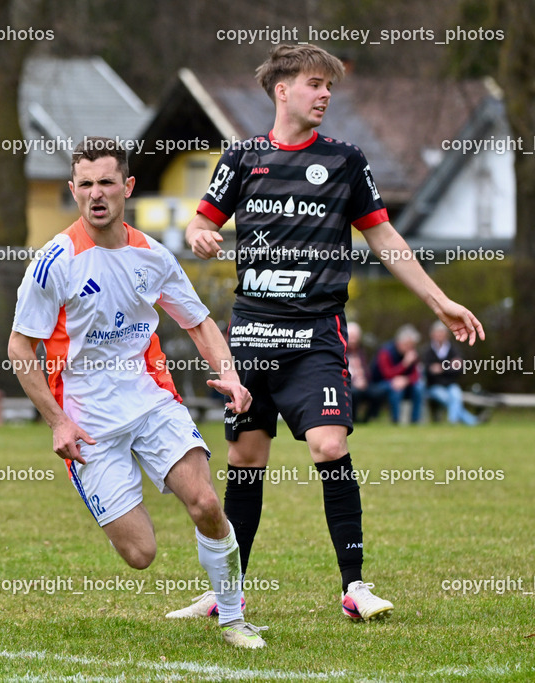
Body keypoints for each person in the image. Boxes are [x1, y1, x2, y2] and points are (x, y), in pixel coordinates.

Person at [181, 44, 484, 623]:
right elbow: (202, 219)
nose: (324, 95)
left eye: (329, 87)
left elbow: (386, 239)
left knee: (330, 445)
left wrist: (439, 300)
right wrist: (199, 233)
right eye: (315, 84)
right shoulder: (243, 157)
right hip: (250, 335)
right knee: (246, 457)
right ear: (282, 90)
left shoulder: (346, 160)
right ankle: (229, 596)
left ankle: (354, 586)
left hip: (316, 336)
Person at [8, 137, 266, 649]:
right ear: (73, 190)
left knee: (206, 502)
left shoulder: (153, 256)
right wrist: (58, 421)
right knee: (140, 554)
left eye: (107, 182)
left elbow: (200, 324)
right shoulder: (54, 261)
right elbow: (20, 347)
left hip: (151, 402)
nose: (96, 194)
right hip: (89, 424)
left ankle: (234, 617)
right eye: (86, 184)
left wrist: (232, 376)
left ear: (127, 187)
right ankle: (118, 488)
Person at [422, 321, 479, 425]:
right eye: (437, 333)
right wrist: (449, 367)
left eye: (441, 333)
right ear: (432, 335)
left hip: (451, 384)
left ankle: (453, 422)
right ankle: (472, 421)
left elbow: (459, 369)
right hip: (434, 386)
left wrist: (442, 368)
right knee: (448, 399)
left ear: (447, 335)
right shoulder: (427, 351)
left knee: (456, 396)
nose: (439, 335)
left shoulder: (454, 349)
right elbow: (427, 371)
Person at [371, 325, 425, 425]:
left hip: (404, 383)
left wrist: (406, 380)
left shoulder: (412, 353)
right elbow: (387, 374)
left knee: (419, 387)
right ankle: (396, 421)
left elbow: (417, 375)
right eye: (408, 345)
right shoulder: (385, 352)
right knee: (396, 388)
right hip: (381, 384)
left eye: (412, 345)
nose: (410, 348)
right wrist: (405, 364)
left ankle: (415, 421)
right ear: (400, 342)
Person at [346, 322, 383, 423]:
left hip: (364, 383)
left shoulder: (362, 352)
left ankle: (368, 419)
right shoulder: (341, 351)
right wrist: (354, 381)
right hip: (348, 384)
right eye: (351, 337)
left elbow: (368, 370)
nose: (353, 340)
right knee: (354, 393)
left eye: (355, 337)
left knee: (379, 392)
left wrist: (364, 380)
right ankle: (353, 418)